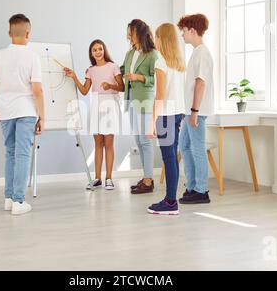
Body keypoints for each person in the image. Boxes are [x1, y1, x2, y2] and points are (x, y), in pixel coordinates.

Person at [0, 14, 44, 216]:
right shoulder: (33, 56)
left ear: (10, 33)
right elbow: (37, 91)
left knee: (10, 153)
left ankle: (9, 198)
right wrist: (42, 116)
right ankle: (19, 201)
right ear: (28, 33)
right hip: (26, 111)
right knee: (23, 154)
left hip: (5, 111)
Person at [64, 40, 124, 190]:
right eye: (95, 50)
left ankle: (109, 178)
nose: (98, 52)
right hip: (96, 105)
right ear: (91, 53)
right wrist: (74, 77)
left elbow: (122, 87)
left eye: (100, 49)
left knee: (109, 143)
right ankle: (97, 178)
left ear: (104, 50)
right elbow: (84, 90)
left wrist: (110, 85)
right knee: (98, 144)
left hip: (110, 104)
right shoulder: (90, 70)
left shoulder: (113, 67)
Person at [147, 23, 186, 215]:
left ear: (162, 38)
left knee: (168, 159)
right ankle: (171, 199)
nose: (155, 40)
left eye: (156, 36)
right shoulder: (178, 62)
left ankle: (171, 202)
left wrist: (152, 121)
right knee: (172, 159)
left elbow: (160, 94)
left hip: (166, 116)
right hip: (178, 113)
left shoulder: (160, 62)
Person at [177, 14, 214, 205]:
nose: (182, 35)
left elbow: (201, 83)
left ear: (192, 30)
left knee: (197, 148)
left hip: (196, 110)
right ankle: (192, 187)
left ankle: (202, 190)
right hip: (190, 110)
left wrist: (194, 111)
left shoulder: (202, 53)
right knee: (183, 145)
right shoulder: (196, 52)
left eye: (183, 31)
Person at [122, 19, 158, 195]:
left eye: (132, 31)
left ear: (140, 33)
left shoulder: (152, 54)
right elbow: (122, 70)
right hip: (131, 100)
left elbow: (156, 80)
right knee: (138, 140)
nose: (129, 35)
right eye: (129, 31)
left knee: (145, 141)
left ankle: (148, 179)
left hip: (145, 100)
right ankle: (146, 177)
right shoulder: (130, 53)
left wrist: (140, 78)